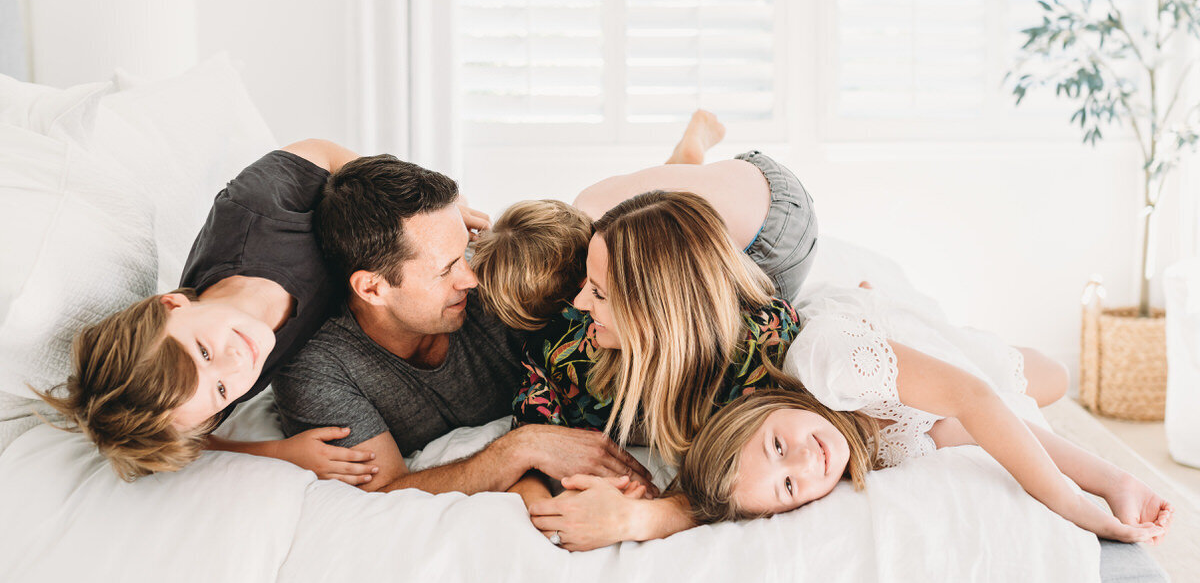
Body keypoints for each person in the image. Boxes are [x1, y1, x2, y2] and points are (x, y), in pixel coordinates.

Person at [470, 111, 820, 545]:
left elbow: (743, 482)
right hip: (682, 252)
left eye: (596, 293)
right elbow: (533, 437)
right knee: (606, 222)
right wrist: (548, 507)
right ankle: (684, 157)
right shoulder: (565, 349)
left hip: (769, 222)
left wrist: (642, 516)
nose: (578, 305)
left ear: (651, 314)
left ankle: (690, 152)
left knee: (599, 207)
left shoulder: (761, 348)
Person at [271, 154, 652, 495]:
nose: (471, 278)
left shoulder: (498, 274)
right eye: (447, 268)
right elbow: (387, 486)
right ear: (373, 287)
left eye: (464, 248)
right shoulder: (318, 369)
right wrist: (521, 447)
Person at [675, 285, 1175, 545]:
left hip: (923, 350)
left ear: (763, 408)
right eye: (789, 486)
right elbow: (970, 430)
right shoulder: (869, 453)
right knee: (1037, 393)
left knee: (1055, 376)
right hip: (946, 389)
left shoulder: (830, 366)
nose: (806, 461)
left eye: (777, 447)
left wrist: (1080, 506)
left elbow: (974, 399)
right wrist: (1115, 481)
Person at [37, 140, 408, 481]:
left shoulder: (255, 209)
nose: (235, 363)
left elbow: (324, 154)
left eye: (203, 351)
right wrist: (281, 452)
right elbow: (188, 439)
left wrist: (417, 212)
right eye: (220, 390)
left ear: (171, 304)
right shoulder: (210, 392)